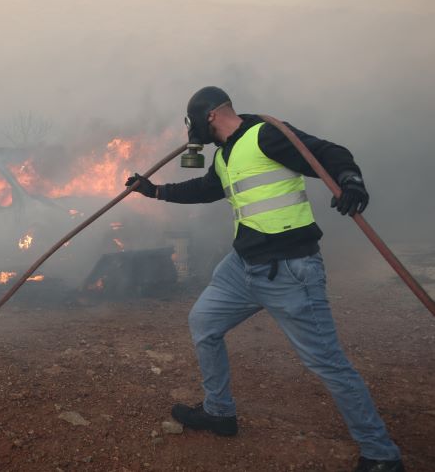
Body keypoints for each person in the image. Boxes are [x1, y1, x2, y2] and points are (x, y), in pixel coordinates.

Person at [126, 87, 403, 472]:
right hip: (243, 266)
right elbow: (207, 189)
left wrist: (350, 181)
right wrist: (154, 191)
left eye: (192, 124)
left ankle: (381, 455)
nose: (191, 133)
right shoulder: (224, 155)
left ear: (208, 117)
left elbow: (328, 152)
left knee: (326, 362)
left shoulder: (266, 134)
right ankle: (219, 413)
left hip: (291, 269)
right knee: (203, 323)